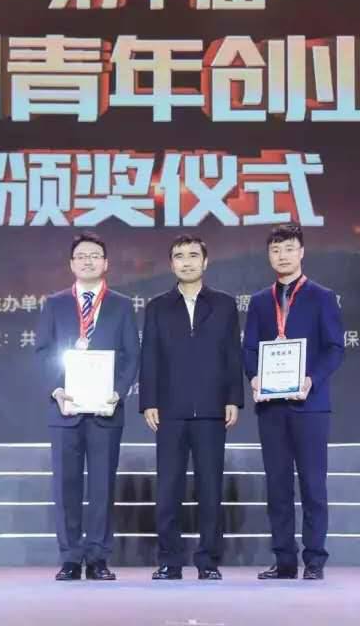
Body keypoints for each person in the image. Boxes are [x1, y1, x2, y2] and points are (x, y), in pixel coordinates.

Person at [243, 222, 345, 580]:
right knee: (278, 486)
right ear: (268, 256)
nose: (282, 255)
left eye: (288, 248)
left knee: (313, 485)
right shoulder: (260, 301)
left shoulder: (322, 297)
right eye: (275, 250)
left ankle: (314, 560)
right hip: (271, 406)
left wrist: (311, 379)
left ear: (301, 252)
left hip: (309, 405)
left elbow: (335, 348)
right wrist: (254, 377)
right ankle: (284, 560)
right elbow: (249, 349)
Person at [36, 232, 140, 581]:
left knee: (102, 487)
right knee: (66, 487)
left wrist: (118, 392)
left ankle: (97, 558)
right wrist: (56, 389)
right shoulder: (54, 304)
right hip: (65, 409)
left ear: (106, 263)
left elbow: (131, 355)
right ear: (71, 264)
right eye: (81, 256)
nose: (88, 261)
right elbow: (43, 351)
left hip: (105, 410)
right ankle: (69, 557)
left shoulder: (121, 305)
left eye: (95, 255)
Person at [139, 234, 244, 581]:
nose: (187, 262)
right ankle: (170, 560)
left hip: (212, 409)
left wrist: (234, 398)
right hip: (170, 409)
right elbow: (149, 356)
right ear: (171, 264)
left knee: (210, 488)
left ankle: (208, 560)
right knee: (168, 487)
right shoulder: (157, 306)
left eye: (193, 255)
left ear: (205, 261)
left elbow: (232, 354)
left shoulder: (224, 305)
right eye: (179, 256)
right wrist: (149, 401)